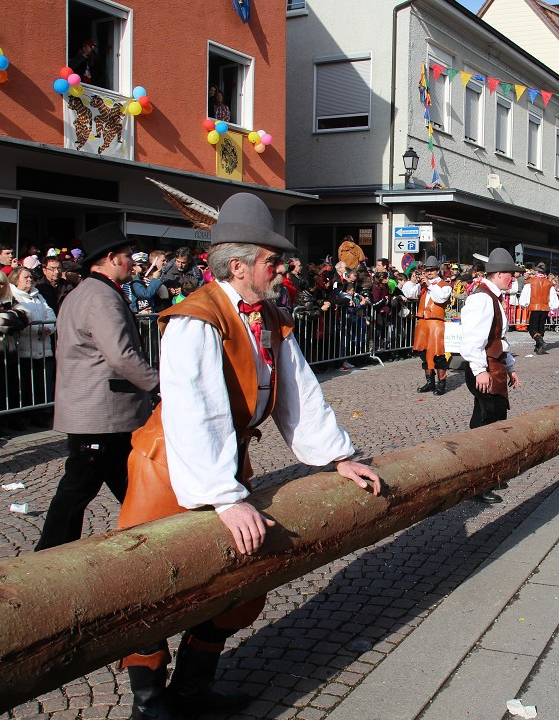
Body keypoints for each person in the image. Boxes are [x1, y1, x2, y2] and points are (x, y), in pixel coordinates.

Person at [116, 194, 381, 720]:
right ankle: (150, 703)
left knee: (241, 582)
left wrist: (337, 458)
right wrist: (223, 495)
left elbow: (299, 394)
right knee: (149, 584)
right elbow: (197, 413)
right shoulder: (195, 318)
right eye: (271, 261)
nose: (281, 269)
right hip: (168, 463)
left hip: (223, 458)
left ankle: (193, 689)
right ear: (238, 266)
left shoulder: (271, 316)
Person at [35, 224, 159, 551]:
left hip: (102, 410)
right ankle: (48, 555)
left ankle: (156, 533)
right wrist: (157, 383)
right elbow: (121, 354)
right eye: (128, 256)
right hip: (101, 411)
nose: (132, 262)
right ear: (110, 258)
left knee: (128, 481)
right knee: (78, 488)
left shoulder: (86, 292)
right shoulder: (101, 296)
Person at [459, 248, 520, 504]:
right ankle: (477, 483)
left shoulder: (493, 297)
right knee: (485, 425)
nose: (513, 279)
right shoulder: (482, 299)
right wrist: (480, 370)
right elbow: (473, 340)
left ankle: (489, 475)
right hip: (484, 370)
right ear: (497, 274)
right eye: (510, 275)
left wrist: (510, 368)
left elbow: (499, 340)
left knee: (493, 421)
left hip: (493, 368)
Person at [9, 267, 56, 426]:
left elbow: (50, 315)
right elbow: (21, 319)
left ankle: (43, 414)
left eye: (31, 277)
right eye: (25, 277)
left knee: (43, 383)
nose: (29, 280)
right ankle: (25, 416)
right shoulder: (13, 296)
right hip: (24, 348)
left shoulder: (39, 296)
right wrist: (38, 329)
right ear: (16, 279)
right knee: (26, 385)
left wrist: (48, 328)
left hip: (43, 347)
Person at [402, 255, 452, 395]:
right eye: (427, 270)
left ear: (437, 271)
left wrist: (429, 285)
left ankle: (442, 383)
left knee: (438, 353)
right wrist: (413, 279)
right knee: (423, 352)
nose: (429, 273)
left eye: (432, 270)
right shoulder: (423, 285)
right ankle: (430, 381)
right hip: (423, 321)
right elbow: (409, 293)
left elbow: (440, 298)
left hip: (436, 322)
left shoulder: (444, 285)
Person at [518, 262, 559, 353]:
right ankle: (538, 346)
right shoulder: (549, 284)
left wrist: (523, 304)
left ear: (536, 272)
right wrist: (553, 308)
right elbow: (553, 298)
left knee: (532, 328)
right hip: (544, 308)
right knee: (541, 327)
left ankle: (540, 342)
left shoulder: (531, 282)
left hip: (534, 307)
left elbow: (525, 295)